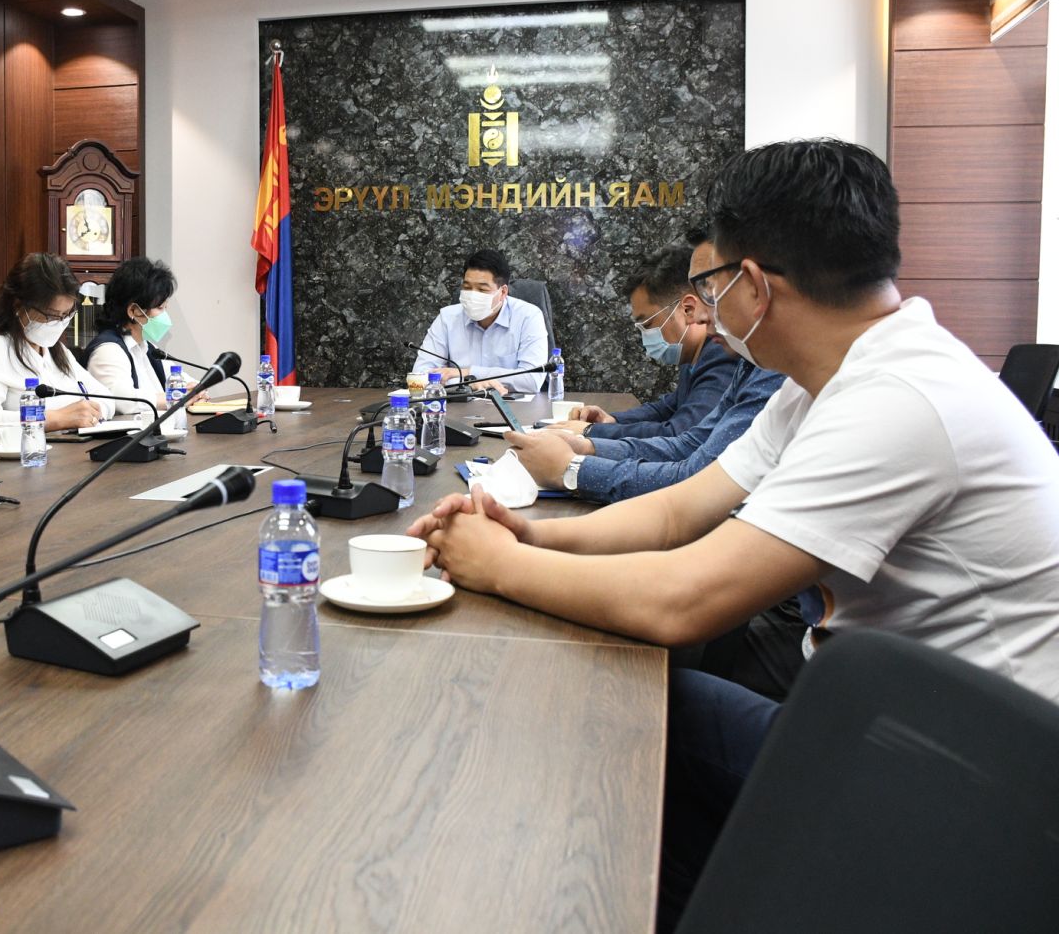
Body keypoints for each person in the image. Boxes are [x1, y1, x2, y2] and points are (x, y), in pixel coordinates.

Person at [407, 139, 1059, 930]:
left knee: (618, 717)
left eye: (710, 287)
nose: (707, 311)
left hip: (984, 786)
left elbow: (684, 599)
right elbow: (679, 511)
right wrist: (526, 537)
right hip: (904, 725)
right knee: (631, 704)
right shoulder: (833, 376)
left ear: (753, 283)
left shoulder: (899, 399)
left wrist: (496, 567)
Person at [508, 238, 784, 504]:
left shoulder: (748, 364)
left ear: (756, 286)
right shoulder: (747, 362)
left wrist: (573, 468)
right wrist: (590, 444)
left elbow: (693, 474)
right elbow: (689, 442)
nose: (700, 316)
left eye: (711, 293)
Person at [564, 240, 737, 441]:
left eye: (648, 324)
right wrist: (612, 420)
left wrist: (590, 432)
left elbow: (681, 434)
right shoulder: (694, 355)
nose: (646, 336)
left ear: (688, 309)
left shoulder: (722, 355)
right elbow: (668, 407)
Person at [0, 253, 118, 435]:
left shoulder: (56, 350)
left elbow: (107, 399)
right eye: (51, 315)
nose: (59, 323)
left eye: (66, 314)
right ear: (18, 306)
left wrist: (89, 413)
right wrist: (54, 418)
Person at [411, 249, 549, 395]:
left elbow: (532, 380)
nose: (472, 295)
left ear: (503, 292)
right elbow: (420, 375)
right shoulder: (447, 318)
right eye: (467, 287)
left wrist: (469, 373)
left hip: (512, 405)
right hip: (459, 405)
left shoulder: (528, 317)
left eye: (482, 289)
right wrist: (470, 383)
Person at [83, 256, 176, 412]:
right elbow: (123, 401)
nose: (165, 315)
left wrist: (195, 390)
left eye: (165, 308)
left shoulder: (148, 348)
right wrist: (176, 397)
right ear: (133, 311)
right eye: (160, 308)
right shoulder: (108, 350)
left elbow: (181, 381)